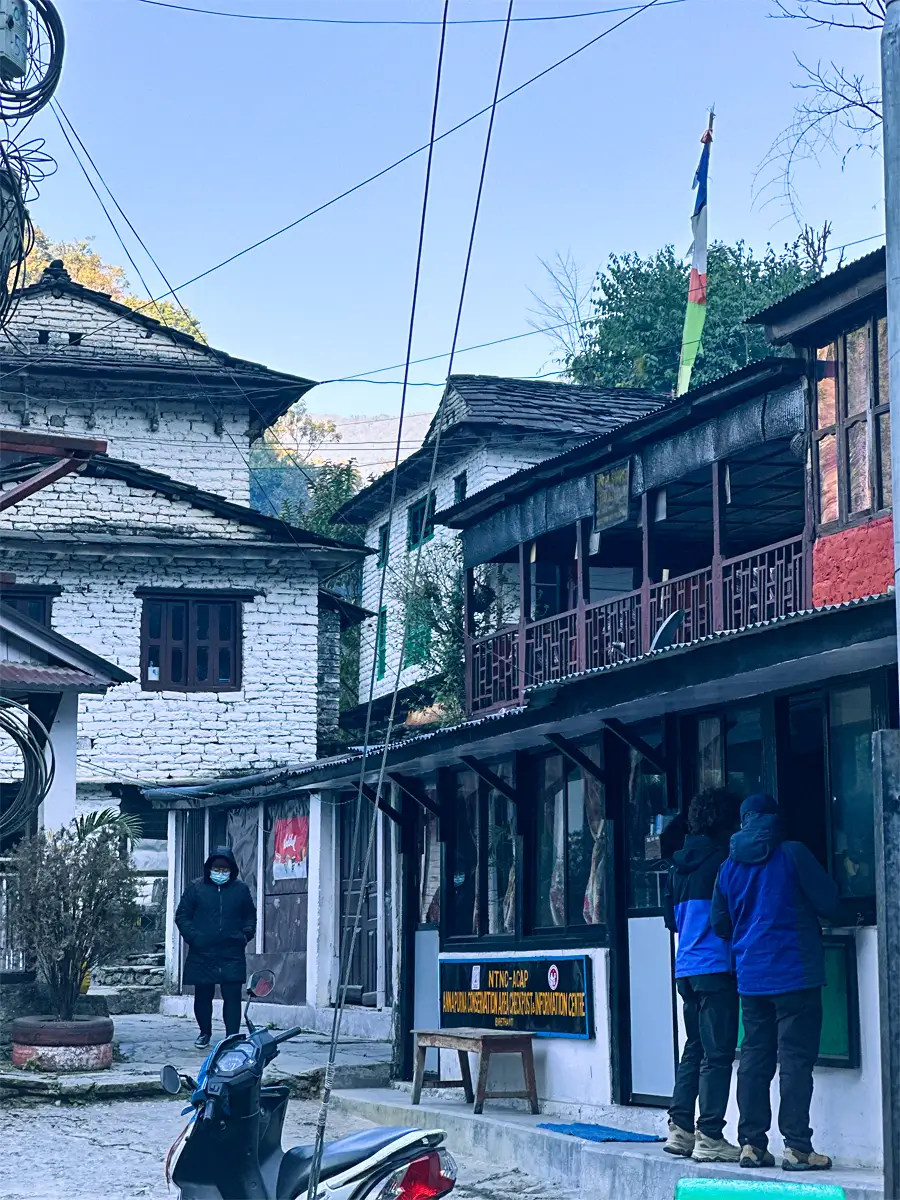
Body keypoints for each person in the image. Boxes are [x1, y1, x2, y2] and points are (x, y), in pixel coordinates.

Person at [711, 793, 839, 1173]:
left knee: (753, 1058)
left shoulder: (728, 867)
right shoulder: (793, 853)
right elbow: (829, 901)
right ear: (773, 819)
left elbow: (720, 925)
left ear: (744, 821)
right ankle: (798, 1147)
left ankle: (751, 1144)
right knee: (795, 1060)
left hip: (751, 979)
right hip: (795, 974)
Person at [663, 789, 740, 1163]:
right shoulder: (724, 862)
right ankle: (710, 1134)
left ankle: (680, 1130)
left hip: (686, 968)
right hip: (716, 967)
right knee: (719, 1053)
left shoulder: (676, 868)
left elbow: (671, 922)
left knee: (694, 1047)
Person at [175, 845, 257, 1049]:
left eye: (224, 869)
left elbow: (250, 916)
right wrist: (194, 937)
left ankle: (232, 1036)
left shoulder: (241, 890)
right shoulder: (196, 888)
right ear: (209, 868)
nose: (220, 873)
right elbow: (182, 916)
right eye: (216, 869)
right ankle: (205, 1032)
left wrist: (244, 935)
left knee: (232, 996)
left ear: (231, 870)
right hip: (202, 951)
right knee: (203, 995)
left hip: (232, 951)